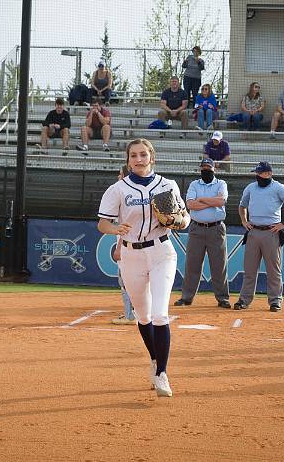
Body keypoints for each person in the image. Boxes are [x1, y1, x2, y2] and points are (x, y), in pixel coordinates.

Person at [97, 138, 190, 397]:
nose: (138, 159)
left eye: (143, 154)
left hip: (161, 251)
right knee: (143, 316)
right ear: (128, 160)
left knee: (160, 314)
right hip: (131, 255)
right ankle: (154, 359)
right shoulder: (118, 189)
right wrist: (116, 229)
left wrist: (180, 220)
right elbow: (103, 224)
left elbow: (184, 216)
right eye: (134, 155)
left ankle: (161, 373)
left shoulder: (167, 185)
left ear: (152, 157)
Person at [236, 161, 284, 311]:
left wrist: (283, 223)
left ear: (269, 174)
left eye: (260, 173)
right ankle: (244, 300)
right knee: (249, 269)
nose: (258, 176)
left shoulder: (279, 188)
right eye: (257, 173)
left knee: (273, 270)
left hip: (271, 232)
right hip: (253, 231)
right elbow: (242, 206)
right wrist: (244, 220)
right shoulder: (251, 188)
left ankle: (275, 301)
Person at [175, 159, 229, 308]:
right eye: (203, 167)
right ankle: (186, 297)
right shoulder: (194, 184)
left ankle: (223, 298)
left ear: (214, 169)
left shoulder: (221, 184)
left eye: (208, 167)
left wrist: (202, 200)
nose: (205, 169)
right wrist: (211, 201)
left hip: (216, 228)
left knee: (219, 265)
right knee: (192, 264)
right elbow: (191, 204)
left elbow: (221, 202)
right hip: (196, 228)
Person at [110, 165, 136, 325]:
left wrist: (119, 248)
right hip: (136, 246)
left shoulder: (124, 195)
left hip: (127, 245)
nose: (118, 177)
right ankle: (135, 313)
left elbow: (125, 227)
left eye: (120, 174)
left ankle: (129, 316)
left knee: (125, 282)